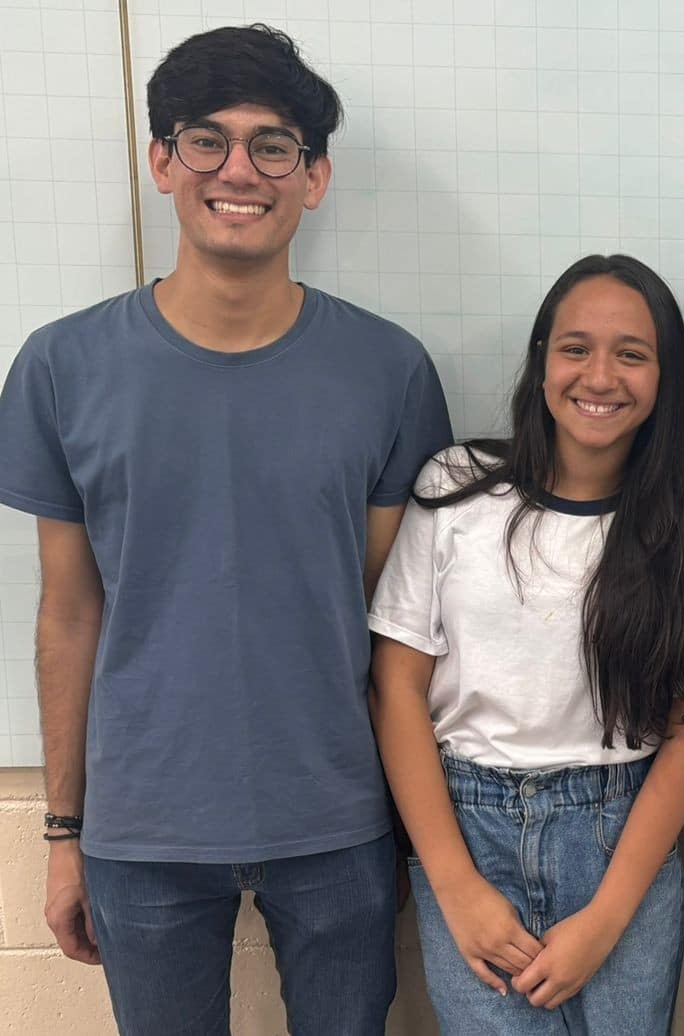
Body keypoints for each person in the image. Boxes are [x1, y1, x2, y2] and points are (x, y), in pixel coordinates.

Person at [0, 24, 452, 1035]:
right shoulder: (61, 367)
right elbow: (67, 616)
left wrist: (413, 830)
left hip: (339, 819)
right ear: (163, 161)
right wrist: (63, 831)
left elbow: (390, 621)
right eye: (206, 139)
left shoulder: (389, 371)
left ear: (314, 177)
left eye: (272, 145)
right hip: (141, 828)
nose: (238, 170)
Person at [367, 254, 684, 1034]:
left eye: (631, 354)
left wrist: (605, 919)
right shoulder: (454, 486)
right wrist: (454, 883)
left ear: (663, 379)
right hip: (466, 833)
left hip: (618, 843)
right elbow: (395, 688)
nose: (599, 376)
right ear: (540, 363)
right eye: (574, 348)